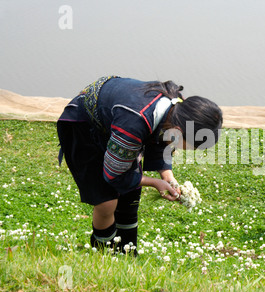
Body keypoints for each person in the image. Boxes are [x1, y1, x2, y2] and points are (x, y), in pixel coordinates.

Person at [57, 76, 222, 253]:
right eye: (192, 146)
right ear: (180, 131)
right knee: (106, 202)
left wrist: (168, 177)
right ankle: (104, 254)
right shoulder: (134, 122)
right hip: (83, 126)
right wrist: (154, 182)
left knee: (130, 194)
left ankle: (127, 253)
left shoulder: (177, 112)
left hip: (117, 122)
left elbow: (163, 137)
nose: (190, 150)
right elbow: (115, 173)